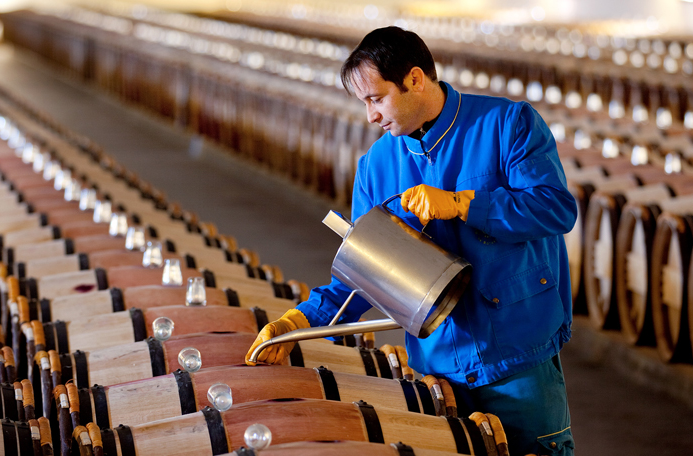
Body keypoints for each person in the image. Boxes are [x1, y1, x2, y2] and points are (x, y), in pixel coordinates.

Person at [245, 26, 578, 456]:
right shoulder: (376, 167)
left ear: (415, 80)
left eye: (376, 98)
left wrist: (461, 204)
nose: (371, 116)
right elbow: (366, 272)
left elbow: (555, 209)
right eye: (363, 103)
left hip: (516, 358)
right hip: (438, 370)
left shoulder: (505, 124)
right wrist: (298, 322)